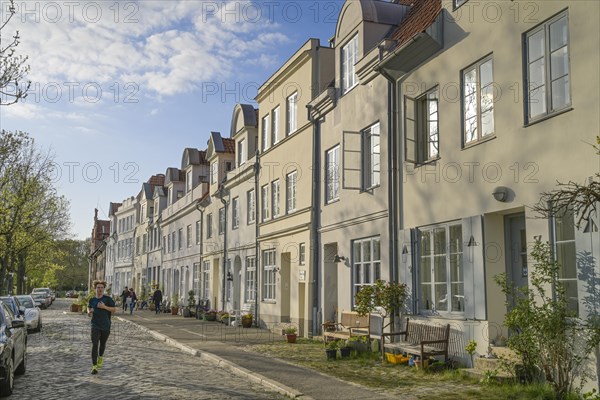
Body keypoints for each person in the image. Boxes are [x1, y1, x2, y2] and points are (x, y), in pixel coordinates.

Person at [87, 280, 117, 375]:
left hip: (105, 325)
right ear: (95, 289)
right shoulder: (92, 300)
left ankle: (100, 356)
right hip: (95, 325)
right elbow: (89, 307)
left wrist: (104, 307)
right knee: (95, 344)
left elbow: (114, 310)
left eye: (101, 288)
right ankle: (94, 366)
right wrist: (89, 311)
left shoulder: (107, 299)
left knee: (102, 344)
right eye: (98, 287)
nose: (100, 289)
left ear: (104, 289)